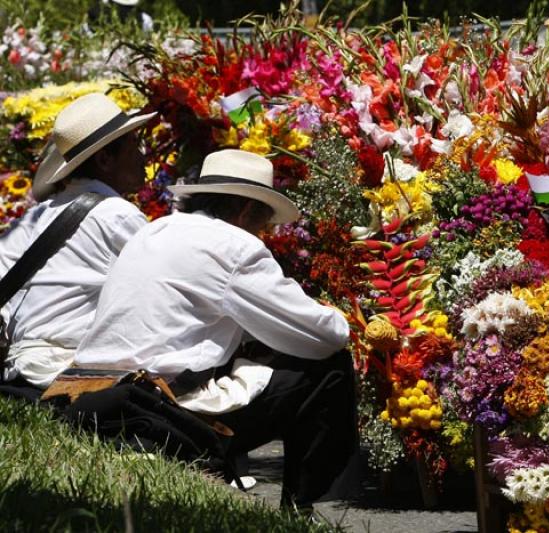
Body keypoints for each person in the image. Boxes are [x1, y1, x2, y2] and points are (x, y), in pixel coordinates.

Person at [74, 149, 356, 510]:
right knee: (328, 369)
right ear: (244, 211)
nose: (263, 234)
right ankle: (298, 508)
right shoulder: (235, 246)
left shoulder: (156, 229)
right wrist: (339, 317)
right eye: (263, 223)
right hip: (161, 409)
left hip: (90, 395)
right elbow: (324, 336)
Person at [0, 93, 155, 399]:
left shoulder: (34, 217)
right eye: (134, 146)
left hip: (16, 375)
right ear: (104, 159)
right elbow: (161, 295)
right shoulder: (117, 215)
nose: (143, 156)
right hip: (63, 378)